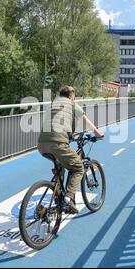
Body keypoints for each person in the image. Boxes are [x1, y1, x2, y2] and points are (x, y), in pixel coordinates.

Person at [38, 86, 104, 214]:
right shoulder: (71, 103)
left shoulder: (53, 103)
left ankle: (58, 198)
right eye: (74, 96)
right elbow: (84, 118)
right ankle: (68, 200)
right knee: (78, 168)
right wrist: (97, 133)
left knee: (60, 165)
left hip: (41, 144)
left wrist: (69, 135)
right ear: (71, 96)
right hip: (57, 143)